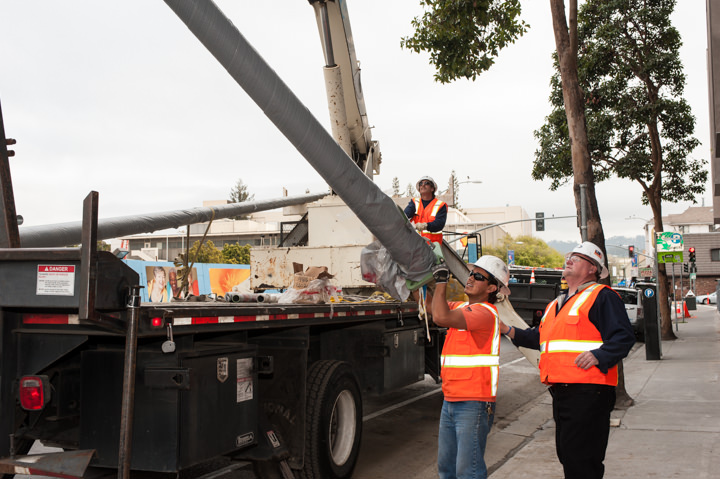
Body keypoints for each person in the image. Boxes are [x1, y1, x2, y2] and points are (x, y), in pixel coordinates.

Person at [498, 241, 635, 479]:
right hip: (562, 392)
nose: (569, 260)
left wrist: (598, 355)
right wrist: (508, 330)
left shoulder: (602, 297)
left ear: (593, 268)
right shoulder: (556, 303)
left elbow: (623, 337)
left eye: (578, 258)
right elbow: (539, 337)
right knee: (569, 456)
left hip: (590, 392)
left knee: (581, 459)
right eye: (569, 256)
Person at [431, 255, 511, 479]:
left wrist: (441, 282)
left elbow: (439, 316)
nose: (470, 278)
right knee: (447, 470)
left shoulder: (485, 313)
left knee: (468, 472)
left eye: (478, 276)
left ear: (492, 288)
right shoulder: (464, 307)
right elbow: (432, 306)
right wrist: (418, 281)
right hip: (451, 399)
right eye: (470, 273)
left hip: (473, 402)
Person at [404, 175, 447, 244]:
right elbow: (405, 216)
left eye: (426, 183)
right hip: (414, 245)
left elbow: (439, 224)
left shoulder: (440, 205)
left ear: (432, 188)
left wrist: (425, 225)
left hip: (433, 247)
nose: (423, 185)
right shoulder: (414, 203)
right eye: (421, 184)